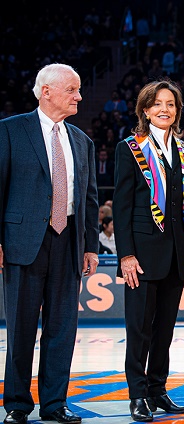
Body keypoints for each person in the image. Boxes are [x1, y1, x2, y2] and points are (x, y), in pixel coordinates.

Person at [0, 63, 99, 424]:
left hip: (68, 241)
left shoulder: (82, 140)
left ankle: (55, 404)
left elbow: (88, 199)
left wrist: (90, 246)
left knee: (62, 329)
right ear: (46, 91)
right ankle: (17, 405)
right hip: (23, 243)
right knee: (21, 328)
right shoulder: (10, 131)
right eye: (72, 89)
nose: (79, 96)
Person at [113, 79, 184, 422]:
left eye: (171, 104)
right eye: (157, 104)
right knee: (139, 329)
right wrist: (126, 255)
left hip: (178, 255)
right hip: (142, 257)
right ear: (145, 110)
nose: (165, 109)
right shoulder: (130, 148)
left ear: (178, 111)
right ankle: (137, 395)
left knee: (164, 330)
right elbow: (121, 207)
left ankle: (157, 390)